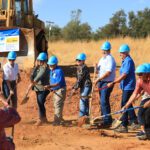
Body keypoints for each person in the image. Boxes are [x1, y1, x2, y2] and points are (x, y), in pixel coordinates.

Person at [107, 44, 137, 132]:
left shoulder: (128, 61)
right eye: (120, 53)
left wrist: (113, 82)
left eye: (122, 53)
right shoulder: (125, 61)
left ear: (127, 53)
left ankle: (124, 126)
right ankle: (134, 121)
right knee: (128, 103)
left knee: (124, 104)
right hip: (126, 86)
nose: (120, 55)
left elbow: (124, 74)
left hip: (129, 86)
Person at [122, 63, 150, 140]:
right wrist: (127, 105)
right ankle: (145, 132)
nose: (139, 76)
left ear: (147, 73)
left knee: (147, 114)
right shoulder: (139, 81)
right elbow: (134, 93)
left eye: (140, 74)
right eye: (138, 74)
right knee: (140, 113)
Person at [95, 41, 116, 127]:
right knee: (102, 101)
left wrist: (99, 78)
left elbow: (108, 72)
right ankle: (104, 118)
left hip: (107, 82)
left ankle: (107, 120)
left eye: (106, 50)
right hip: (101, 82)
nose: (104, 51)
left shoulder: (110, 59)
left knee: (104, 100)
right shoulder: (102, 59)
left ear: (109, 50)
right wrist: (96, 68)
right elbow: (98, 71)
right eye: (103, 50)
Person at [45, 56, 66, 126]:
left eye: (52, 64)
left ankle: (57, 121)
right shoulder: (51, 70)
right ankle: (60, 118)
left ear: (56, 64)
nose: (50, 66)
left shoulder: (59, 71)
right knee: (56, 104)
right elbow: (52, 80)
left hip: (60, 89)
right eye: (49, 64)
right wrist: (51, 88)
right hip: (55, 89)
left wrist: (50, 86)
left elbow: (58, 83)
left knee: (57, 105)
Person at [30, 52, 50, 126]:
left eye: (42, 61)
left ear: (45, 61)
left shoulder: (44, 68)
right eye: (39, 60)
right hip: (37, 88)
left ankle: (40, 119)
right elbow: (32, 76)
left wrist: (31, 84)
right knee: (40, 103)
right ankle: (44, 118)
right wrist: (35, 67)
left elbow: (37, 78)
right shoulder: (38, 67)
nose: (40, 62)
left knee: (40, 103)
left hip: (43, 89)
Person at [72, 53, 92, 118]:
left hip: (86, 86)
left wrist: (75, 87)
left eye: (79, 60)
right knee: (85, 100)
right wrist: (75, 86)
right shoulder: (79, 67)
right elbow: (78, 79)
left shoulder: (83, 68)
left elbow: (80, 79)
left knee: (82, 100)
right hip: (83, 86)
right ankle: (86, 116)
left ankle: (81, 117)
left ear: (83, 61)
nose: (78, 61)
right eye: (77, 60)